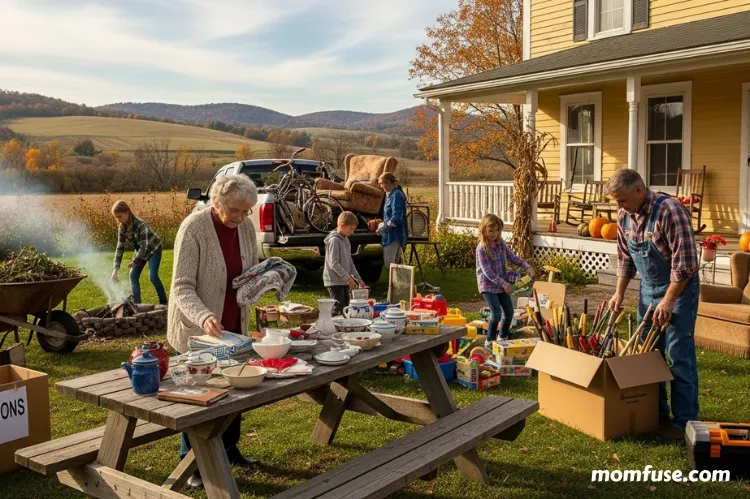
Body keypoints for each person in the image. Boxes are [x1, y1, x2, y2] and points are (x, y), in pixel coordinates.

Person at [167, 174, 259, 487]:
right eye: (234, 210)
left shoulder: (245, 226)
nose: (240, 217)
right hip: (198, 329)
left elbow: (249, 273)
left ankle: (229, 449)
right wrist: (204, 315)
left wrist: (264, 281)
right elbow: (181, 286)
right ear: (216, 202)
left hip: (234, 325)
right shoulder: (193, 228)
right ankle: (190, 464)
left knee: (235, 392)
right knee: (197, 396)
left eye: (246, 211)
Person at [606, 168, 700, 440]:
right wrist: (619, 293)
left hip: (679, 291)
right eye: (615, 201)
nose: (618, 206)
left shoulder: (670, 211)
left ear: (639, 190)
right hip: (648, 290)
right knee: (648, 355)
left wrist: (669, 300)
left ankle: (684, 422)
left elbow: (685, 265)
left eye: (621, 200)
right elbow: (625, 259)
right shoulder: (625, 214)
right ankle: (656, 415)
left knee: (678, 356)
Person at [475, 214, 535, 342]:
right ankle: (490, 341)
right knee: (496, 313)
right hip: (488, 285)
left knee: (509, 313)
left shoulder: (501, 244)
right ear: (484, 230)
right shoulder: (481, 248)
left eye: (497, 230)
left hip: (502, 284)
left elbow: (513, 258)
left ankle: (502, 337)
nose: (494, 233)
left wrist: (527, 266)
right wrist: (505, 284)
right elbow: (487, 272)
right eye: (490, 230)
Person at [110, 201, 168, 305]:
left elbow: (144, 247)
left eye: (119, 216)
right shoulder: (122, 228)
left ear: (127, 212)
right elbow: (120, 248)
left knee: (153, 276)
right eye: (116, 217)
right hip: (141, 251)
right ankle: (137, 305)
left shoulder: (140, 224)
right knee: (133, 275)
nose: (118, 219)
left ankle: (164, 302)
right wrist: (115, 269)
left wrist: (135, 261)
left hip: (154, 249)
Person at [324, 211, 365, 316]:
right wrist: (348, 278)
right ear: (342, 226)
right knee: (338, 307)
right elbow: (334, 263)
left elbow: (350, 262)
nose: (352, 232)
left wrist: (358, 279)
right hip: (334, 281)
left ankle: (343, 327)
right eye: (351, 229)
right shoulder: (334, 241)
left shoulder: (346, 240)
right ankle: (328, 324)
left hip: (342, 280)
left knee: (346, 306)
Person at [377, 172, 408, 270]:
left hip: (395, 235)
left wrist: (384, 228)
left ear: (389, 182)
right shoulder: (390, 194)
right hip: (391, 234)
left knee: (391, 264)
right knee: (396, 264)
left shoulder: (396, 195)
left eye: (383, 184)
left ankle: (395, 285)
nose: (382, 186)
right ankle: (400, 285)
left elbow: (396, 218)